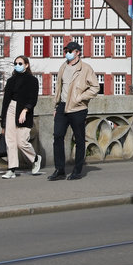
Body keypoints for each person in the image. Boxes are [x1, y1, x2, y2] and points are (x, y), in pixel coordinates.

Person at [47, 41, 99, 181]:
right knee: (57, 136)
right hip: (62, 106)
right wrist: (56, 106)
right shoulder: (63, 66)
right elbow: (59, 88)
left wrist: (80, 98)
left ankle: (77, 170)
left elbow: (95, 87)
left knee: (79, 139)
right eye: (66, 51)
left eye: (70, 51)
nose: (67, 53)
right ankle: (60, 170)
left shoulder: (85, 68)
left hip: (78, 108)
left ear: (77, 52)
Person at [0, 55, 42, 178]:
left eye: (20, 63)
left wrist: (25, 110)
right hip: (11, 109)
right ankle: (11, 169)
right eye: (16, 63)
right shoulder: (11, 80)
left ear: (26, 65)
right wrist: (3, 122)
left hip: (24, 111)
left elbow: (33, 99)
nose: (17, 66)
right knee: (10, 141)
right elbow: (5, 101)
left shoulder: (32, 80)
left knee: (21, 141)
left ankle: (35, 159)